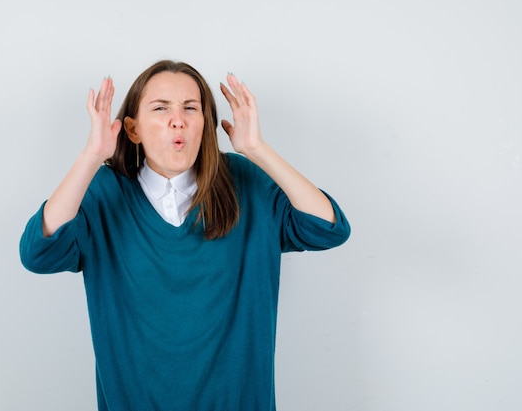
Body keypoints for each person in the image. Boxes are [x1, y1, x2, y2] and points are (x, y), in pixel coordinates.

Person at [20, 59, 350, 411]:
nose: (178, 119)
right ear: (133, 129)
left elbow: (328, 229)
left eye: (190, 108)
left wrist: (258, 151)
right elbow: (38, 253)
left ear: (204, 124)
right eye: (161, 108)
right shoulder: (102, 192)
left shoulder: (246, 182)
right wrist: (91, 156)